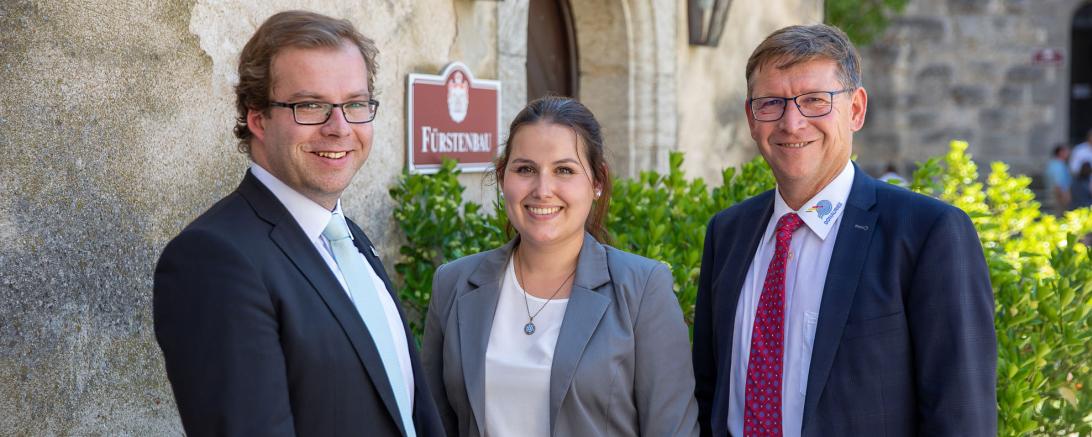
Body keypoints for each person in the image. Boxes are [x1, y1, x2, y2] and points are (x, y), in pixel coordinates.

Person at [692, 24, 996, 436]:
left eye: (814, 101)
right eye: (771, 103)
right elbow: (709, 395)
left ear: (855, 109)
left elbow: (961, 417)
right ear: (751, 117)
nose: (791, 122)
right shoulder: (727, 234)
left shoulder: (928, 234)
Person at [153, 11, 442, 436]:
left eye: (355, 104)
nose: (339, 128)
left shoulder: (348, 238)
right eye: (311, 105)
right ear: (257, 118)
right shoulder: (213, 260)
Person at [422, 96, 699, 437]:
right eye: (525, 169)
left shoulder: (642, 289)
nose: (543, 189)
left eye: (564, 170)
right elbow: (433, 423)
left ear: (597, 182)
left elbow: (671, 429)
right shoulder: (453, 283)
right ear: (502, 176)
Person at [1045, 143, 1072, 214]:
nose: (1068, 153)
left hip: (1057, 194)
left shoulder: (1056, 164)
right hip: (1058, 195)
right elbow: (1058, 183)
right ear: (1060, 152)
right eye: (1066, 151)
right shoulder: (1057, 166)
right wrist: (1063, 196)